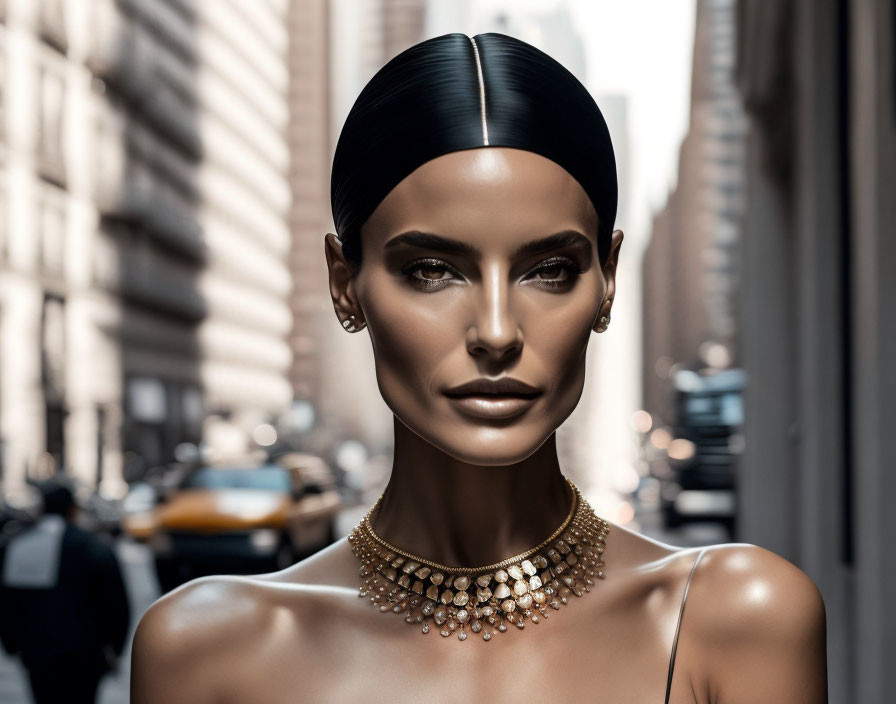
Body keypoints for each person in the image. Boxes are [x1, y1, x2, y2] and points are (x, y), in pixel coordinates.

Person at [131, 33, 827, 703]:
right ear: (346, 284)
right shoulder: (205, 651)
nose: (496, 331)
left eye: (549, 270)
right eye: (431, 271)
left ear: (606, 280)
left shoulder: (738, 619)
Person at [0, 479, 131, 704]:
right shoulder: (94, 547)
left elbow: (7, 602)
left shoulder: (18, 545)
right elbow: (117, 604)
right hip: (86, 652)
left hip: (37, 652)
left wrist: (11, 643)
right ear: (73, 509)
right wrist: (114, 649)